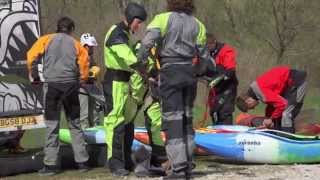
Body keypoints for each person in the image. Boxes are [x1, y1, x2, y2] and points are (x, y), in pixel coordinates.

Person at [137, 0, 213, 178]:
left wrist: (142, 65)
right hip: (189, 74)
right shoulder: (198, 24)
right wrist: (197, 71)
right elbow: (204, 56)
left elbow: (146, 44)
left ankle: (178, 169)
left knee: (173, 122)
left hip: (170, 72)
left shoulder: (162, 19)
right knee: (187, 120)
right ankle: (187, 166)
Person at [27, 16, 90, 176]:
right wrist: (81, 79)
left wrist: (34, 74)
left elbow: (31, 55)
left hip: (52, 88)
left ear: (58, 27)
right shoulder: (76, 44)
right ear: (71, 29)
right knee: (75, 124)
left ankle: (50, 165)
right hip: (70, 88)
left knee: (52, 125)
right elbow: (84, 63)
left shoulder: (46, 39)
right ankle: (82, 162)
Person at [102, 2, 147, 176]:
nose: (139, 25)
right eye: (138, 21)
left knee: (127, 123)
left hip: (124, 82)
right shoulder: (117, 33)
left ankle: (126, 159)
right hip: (115, 81)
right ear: (130, 19)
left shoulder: (126, 33)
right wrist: (138, 66)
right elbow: (124, 54)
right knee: (115, 122)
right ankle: (115, 163)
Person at [236, 66, 307, 133]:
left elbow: (282, 104)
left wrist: (270, 119)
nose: (254, 108)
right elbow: (272, 106)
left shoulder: (260, 91)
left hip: (296, 82)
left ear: (248, 101)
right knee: (280, 113)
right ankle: (279, 133)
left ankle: (288, 138)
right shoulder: (257, 90)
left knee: (286, 113)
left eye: (251, 107)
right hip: (288, 85)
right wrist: (268, 119)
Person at [206, 33, 238, 125]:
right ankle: (216, 135)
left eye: (209, 45)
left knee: (224, 112)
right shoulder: (205, 53)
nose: (207, 48)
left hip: (228, 87)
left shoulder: (226, 51)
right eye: (205, 46)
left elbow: (230, 70)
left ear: (214, 42)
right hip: (215, 89)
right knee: (213, 112)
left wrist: (216, 80)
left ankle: (226, 135)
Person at [79, 33, 104, 129]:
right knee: (84, 113)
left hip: (90, 86)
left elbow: (93, 66)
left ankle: (96, 129)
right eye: (90, 46)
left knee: (95, 111)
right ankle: (84, 132)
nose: (92, 48)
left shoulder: (90, 56)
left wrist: (94, 70)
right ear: (84, 45)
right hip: (81, 88)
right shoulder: (78, 56)